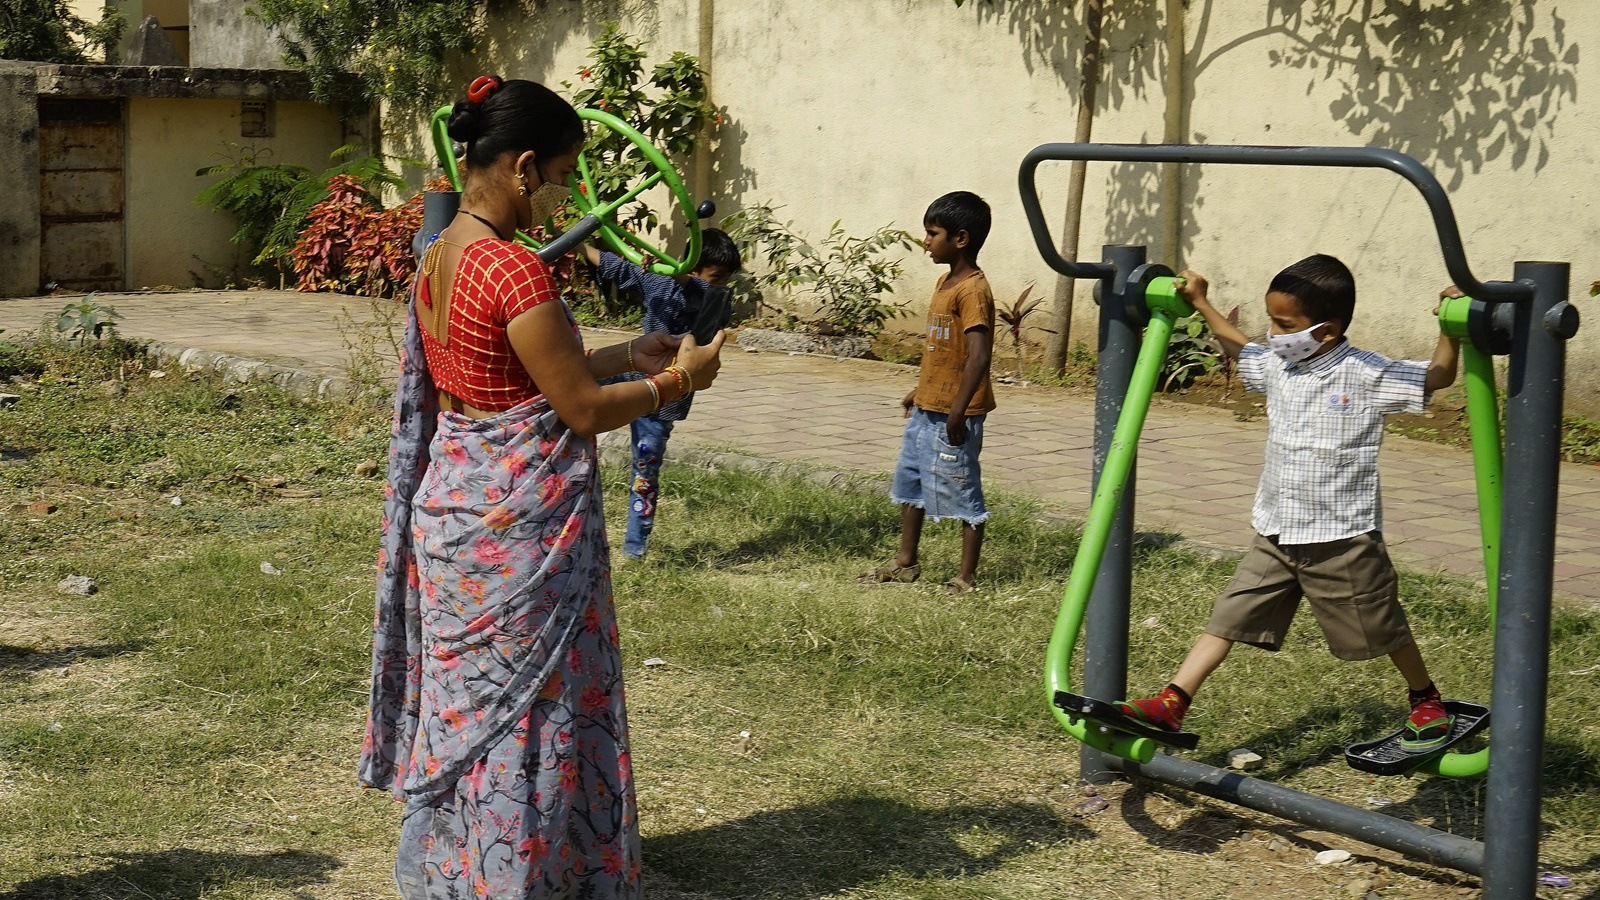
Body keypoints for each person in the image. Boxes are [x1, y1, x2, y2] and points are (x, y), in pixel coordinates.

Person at [359, 75, 725, 899]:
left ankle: (460, 868)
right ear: (523, 167)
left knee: (473, 704)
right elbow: (584, 411)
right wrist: (680, 380)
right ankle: (526, 874)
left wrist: (627, 354)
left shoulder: (442, 251)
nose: (561, 197)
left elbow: (508, 377)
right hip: (515, 529)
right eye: (559, 175)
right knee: (532, 705)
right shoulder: (516, 271)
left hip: (456, 500)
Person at [1118, 255, 1462, 753]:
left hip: (1341, 534)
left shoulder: (1365, 374)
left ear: (1327, 330)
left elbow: (1436, 377)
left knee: (1379, 624)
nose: (1273, 334)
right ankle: (1172, 702)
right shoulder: (1278, 365)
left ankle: (1426, 699)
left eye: (1285, 324)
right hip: (1277, 527)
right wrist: (1200, 303)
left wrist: (1451, 330)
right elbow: (1239, 348)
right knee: (1229, 616)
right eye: (1271, 321)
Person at [861, 191, 995, 594]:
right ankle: (906, 561)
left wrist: (956, 412)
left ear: (960, 239)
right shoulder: (944, 282)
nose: (925, 242)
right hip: (927, 408)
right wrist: (919, 390)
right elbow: (944, 352)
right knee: (913, 482)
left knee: (962, 487)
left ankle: (966, 577)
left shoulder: (972, 290)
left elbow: (978, 355)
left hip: (956, 415)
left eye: (931, 233)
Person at [580, 230, 742, 559]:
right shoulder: (658, 281)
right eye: (716, 277)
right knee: (571, 409)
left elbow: (700, 293)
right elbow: (617, 267)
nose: (721, 285)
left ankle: (634, 551)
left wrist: (678, 273)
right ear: (693, 266)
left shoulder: (717, 302)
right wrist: (577, 243)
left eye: (725, 279)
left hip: (663, 401)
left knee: (645, 472)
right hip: (628, 377)